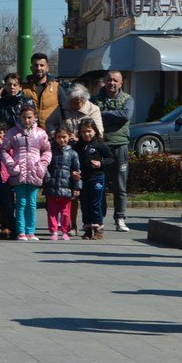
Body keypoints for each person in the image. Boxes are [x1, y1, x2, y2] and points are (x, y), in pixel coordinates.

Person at [1, 104, 52, 242]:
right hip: (19, 172)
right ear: (20, 118)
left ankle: (31, 231)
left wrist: (42, 164)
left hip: (35, 172)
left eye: (29, 117)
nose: (27, 120)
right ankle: (21, 232)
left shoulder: (40, 133)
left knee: (32, 203)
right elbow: (4, 150)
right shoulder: (13, 133)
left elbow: (47, 150)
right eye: (24, 117)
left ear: (35, 117)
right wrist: (11, 164)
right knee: (21, 203)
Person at [93, 70, 133, 233]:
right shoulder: (95, 99)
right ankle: (98, 219)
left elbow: (125, 115)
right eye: (109, 80)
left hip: (120, 146)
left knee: (120, 186)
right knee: (98, 185)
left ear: (121, 83)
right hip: (101, 145)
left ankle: (120, 218)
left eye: (116, 81)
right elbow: (91, 117)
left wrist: (103, 114)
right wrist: (112, 116)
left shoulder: (128, 99)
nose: (112, 83)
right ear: (105, 81)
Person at [75, 118, 112, 240]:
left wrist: (100, 163)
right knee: (85, 203)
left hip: (97, 178)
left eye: (89, 131)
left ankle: (98, 228)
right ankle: (87, 228)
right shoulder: (78, 146)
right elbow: (74, 161)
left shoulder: (99, 144)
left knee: (96, 203)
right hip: (83, 178)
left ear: (95, 131)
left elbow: (111, 158)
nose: (86, 134)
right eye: (83, 131)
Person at [42, 126, 81, 241]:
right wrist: (47, 178)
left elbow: (77, 171)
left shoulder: (73, 153)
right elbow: (45, 166)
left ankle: (65, 231)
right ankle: (53, 230)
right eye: (59, 137)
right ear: (55, 138)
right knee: (52, 211)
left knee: (65, 212)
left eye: (64, 137)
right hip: (52, 186)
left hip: (67, 187)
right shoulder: (50, 151)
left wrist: (77, 186)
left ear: (69, 137)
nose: (62, 140)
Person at [22, 52, 62, 127]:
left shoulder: (57, 87)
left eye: (42, 65)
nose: (39, 68)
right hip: (30, 133)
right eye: (36, 65)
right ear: (31, 68)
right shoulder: (23, 88)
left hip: (51, 133)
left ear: (47, 67)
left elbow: (65, 109)